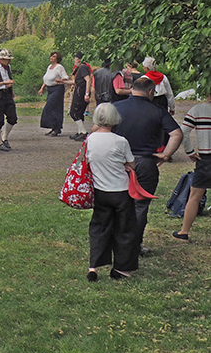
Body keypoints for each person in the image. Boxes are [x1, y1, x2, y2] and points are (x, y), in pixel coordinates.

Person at [113, 77, 182, 256]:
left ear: (132, 89)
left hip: (119, 163)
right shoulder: (158, 111)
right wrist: (166, 154)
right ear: (151, 92)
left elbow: (98, 129)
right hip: (145, 162)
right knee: (140, 206)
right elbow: (176, 134)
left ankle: (115, 242)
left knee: (117, 203)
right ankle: (133, 246)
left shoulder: (117, 108)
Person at [85, 103, 137, 281]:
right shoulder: (120, 141)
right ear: (115, 119)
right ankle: (121, 268)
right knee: (124, 229)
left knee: (99, 227)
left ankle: (94, 266)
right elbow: (131, 164)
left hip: (100, 191)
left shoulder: (89, 140)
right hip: (121, 191)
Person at [173, 91, 211, 241]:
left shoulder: (197, 110)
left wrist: (190, 151)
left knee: (195, 195)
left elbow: (184, 132)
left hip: (205, 158)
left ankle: (184, 231)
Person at [38, 51, 70, 137]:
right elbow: (46, 79)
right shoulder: (49, 67)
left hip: (57, 89)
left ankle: (57, 127)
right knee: (52, 108)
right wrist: (42, 88)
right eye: (51, 56)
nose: (52, 57)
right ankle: (54, 127)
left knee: (51, 106)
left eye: (54, 56)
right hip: (50, 89)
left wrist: (61, 80)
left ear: (57, 58)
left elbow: (65, 77)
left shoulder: (59, 67)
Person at [69, 52, 93, 141]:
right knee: (79, 112)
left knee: (74, 112)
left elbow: (88, 80)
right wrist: (62, 81)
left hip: (81, 92)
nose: (74, 60)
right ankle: (80, 132)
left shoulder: (83, 68)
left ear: (79, 59)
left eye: (75, 58)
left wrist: (87, 94)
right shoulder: (80, 68)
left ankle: (83, 132)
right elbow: (76, 82)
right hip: (79, 90)